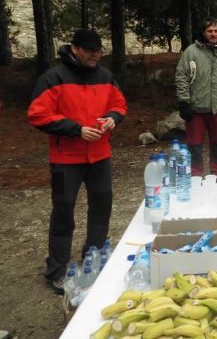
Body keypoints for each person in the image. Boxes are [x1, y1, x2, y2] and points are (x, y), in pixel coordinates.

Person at [27, 29, 127, 294]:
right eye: (89, 50)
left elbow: (119, 105)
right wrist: (76, 129)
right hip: (65, 159)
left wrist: (112, 119)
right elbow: (37, 115)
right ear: (75, 49)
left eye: (98, 50)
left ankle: (93, 258)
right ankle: (56, 272)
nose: (95, 54)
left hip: (100, 156)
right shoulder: (53, 78)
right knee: (63, 213)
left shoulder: (105, 77)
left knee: (101, 207)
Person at [175, 19, 217, 176]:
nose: (213, 34)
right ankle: (196, 177)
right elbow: (181, 76)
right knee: (194, 146)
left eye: (216, 31)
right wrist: (184, 102)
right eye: (210, 31)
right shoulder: (191, 52)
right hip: (196, 109)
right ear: (203, 33)